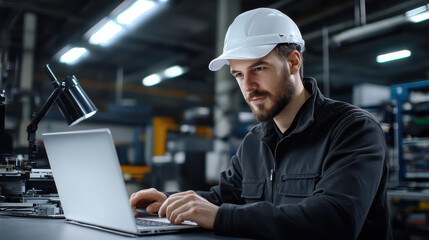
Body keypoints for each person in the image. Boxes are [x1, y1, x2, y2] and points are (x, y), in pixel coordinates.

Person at [130, 8, 392, 240]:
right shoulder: (254, 142)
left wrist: (222, 217)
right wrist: (170, 203)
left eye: (259, 69)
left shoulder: (353, 129)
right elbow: (223, 199)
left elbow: (335, 221)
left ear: (292, 62)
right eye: (239, 74)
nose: (248, 87)